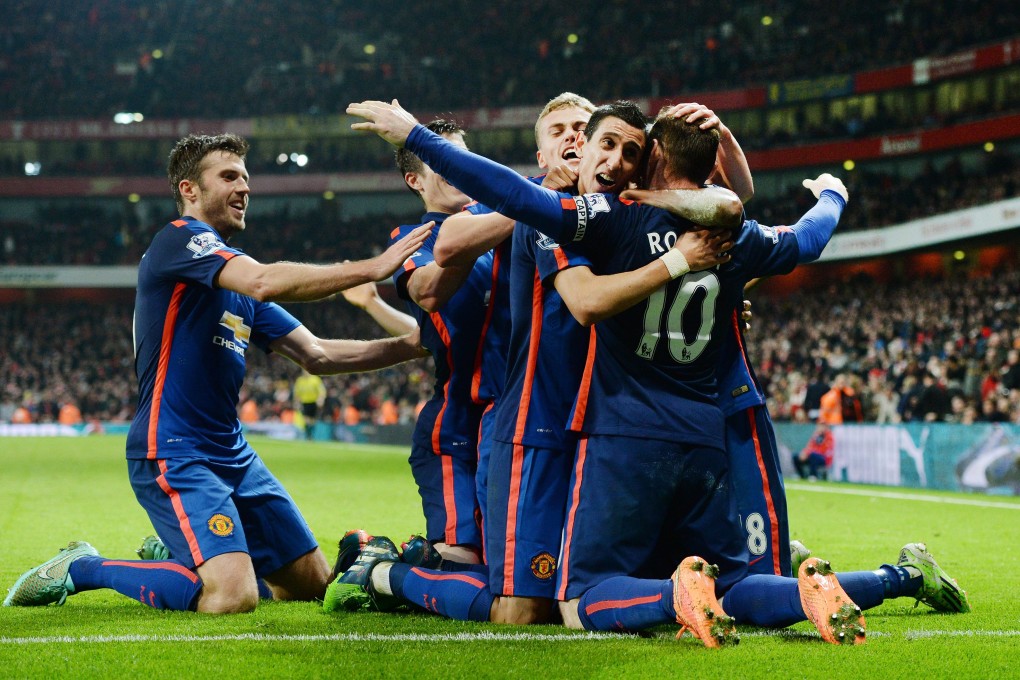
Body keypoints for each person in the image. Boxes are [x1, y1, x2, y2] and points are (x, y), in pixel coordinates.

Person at [344, 99, 971, 644]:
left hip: (614, 431)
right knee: (543, 607)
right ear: (553, 150)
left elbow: (588, 290)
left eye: (625, 147)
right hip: (614, 427)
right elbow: (796, 237)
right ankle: (890, 578)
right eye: (579, 136)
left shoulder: (606, 219)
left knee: (574, 601)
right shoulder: (713, 231)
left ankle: (673, 595)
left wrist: (415, 134)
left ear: (645, 163)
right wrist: (831, 192)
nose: (592, 149)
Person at [3, 132, 431, 614]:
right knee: (231, 597)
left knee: (311, 584)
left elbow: (318, 354)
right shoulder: (178, 241)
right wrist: (371, 268)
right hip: (173, 449)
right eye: (229, 176)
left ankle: (188, 558)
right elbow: (265, 279)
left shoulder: (238, 286)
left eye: (246, 178)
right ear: (189, 190)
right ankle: (82, 567)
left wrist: (416, 344)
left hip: (232, 452)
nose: (244, 187)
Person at [293, 369, 326, 440]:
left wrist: (321, 399)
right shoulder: (300, 381)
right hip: (304, 402)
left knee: (312, 420)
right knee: (306, 419)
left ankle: (310, 435)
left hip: (313, 402)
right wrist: (296, 402)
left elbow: (321, 390)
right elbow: (297, 392)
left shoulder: (316, 379)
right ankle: (308, 436)